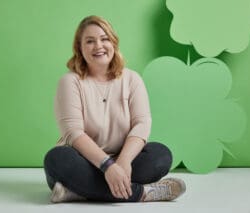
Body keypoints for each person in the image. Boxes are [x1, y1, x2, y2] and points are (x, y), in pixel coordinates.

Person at [44, 15, 186, 203]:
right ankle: (142, 193)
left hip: (123, 161)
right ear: (79, 48)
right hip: (83, 163)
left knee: (160, 155)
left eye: (104, 39)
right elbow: (73, 132)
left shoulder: (132, 79)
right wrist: (108, 166)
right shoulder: (70, 82)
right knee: (56, 158)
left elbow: (142, 124)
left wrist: (123, 162)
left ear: (113, 43)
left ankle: (78, 192)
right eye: (90, 41)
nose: (98, 46)